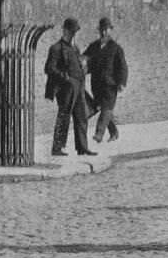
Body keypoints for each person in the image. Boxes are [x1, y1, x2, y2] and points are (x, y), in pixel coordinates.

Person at [44, 17, 94, 157]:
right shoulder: (56, 48)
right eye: (72, 31)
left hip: (78, 87)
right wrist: (65, 77)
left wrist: (84, 67)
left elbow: (78, 64)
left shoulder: (75, 48)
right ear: (65, 31)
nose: (74, 34)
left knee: (81, 117)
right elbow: (49, 68)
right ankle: (57, 148)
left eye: (75, 32)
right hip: (65, 89)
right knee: (64, 116)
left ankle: (82, 148)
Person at [83, 16, 128, 145]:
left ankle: (99, 134)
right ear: (99, 31)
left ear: (110, 31)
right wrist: (82, 65)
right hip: (96, 85)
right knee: (104, 108)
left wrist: (122, 83)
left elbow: (123, 67)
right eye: (102, 30)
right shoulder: (93, 46)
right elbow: (85, 59)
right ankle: (114, 132)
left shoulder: (116, 48)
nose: (104, 32)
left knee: (107, 108)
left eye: (106, 30)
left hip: (110, 85)